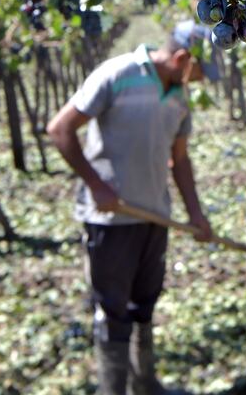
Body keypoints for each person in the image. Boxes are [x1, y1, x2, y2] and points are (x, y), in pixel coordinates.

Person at [47, 20, 218, 395]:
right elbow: (60, 129)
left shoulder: (179, 96)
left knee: (144, 305)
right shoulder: (117, 73)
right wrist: (96, 185)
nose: (202, 81)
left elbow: (180, 160)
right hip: (111, 221)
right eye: (201, 71)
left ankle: (145, 385)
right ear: (181, 57)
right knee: (113, 312)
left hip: (155, 217)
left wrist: (195, 214)